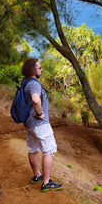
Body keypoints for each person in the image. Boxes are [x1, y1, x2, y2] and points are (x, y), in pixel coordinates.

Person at [21, 58, 63, 192]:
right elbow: (35, 99)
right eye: (39, 67)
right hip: (39, 124)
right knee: (49, 150)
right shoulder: (34, 83)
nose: (41, 69)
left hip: (29, 124)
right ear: (33, 70)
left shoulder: (25, 82)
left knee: (33, 149)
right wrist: (39, 114)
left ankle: (37, 175)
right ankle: (46, 182)